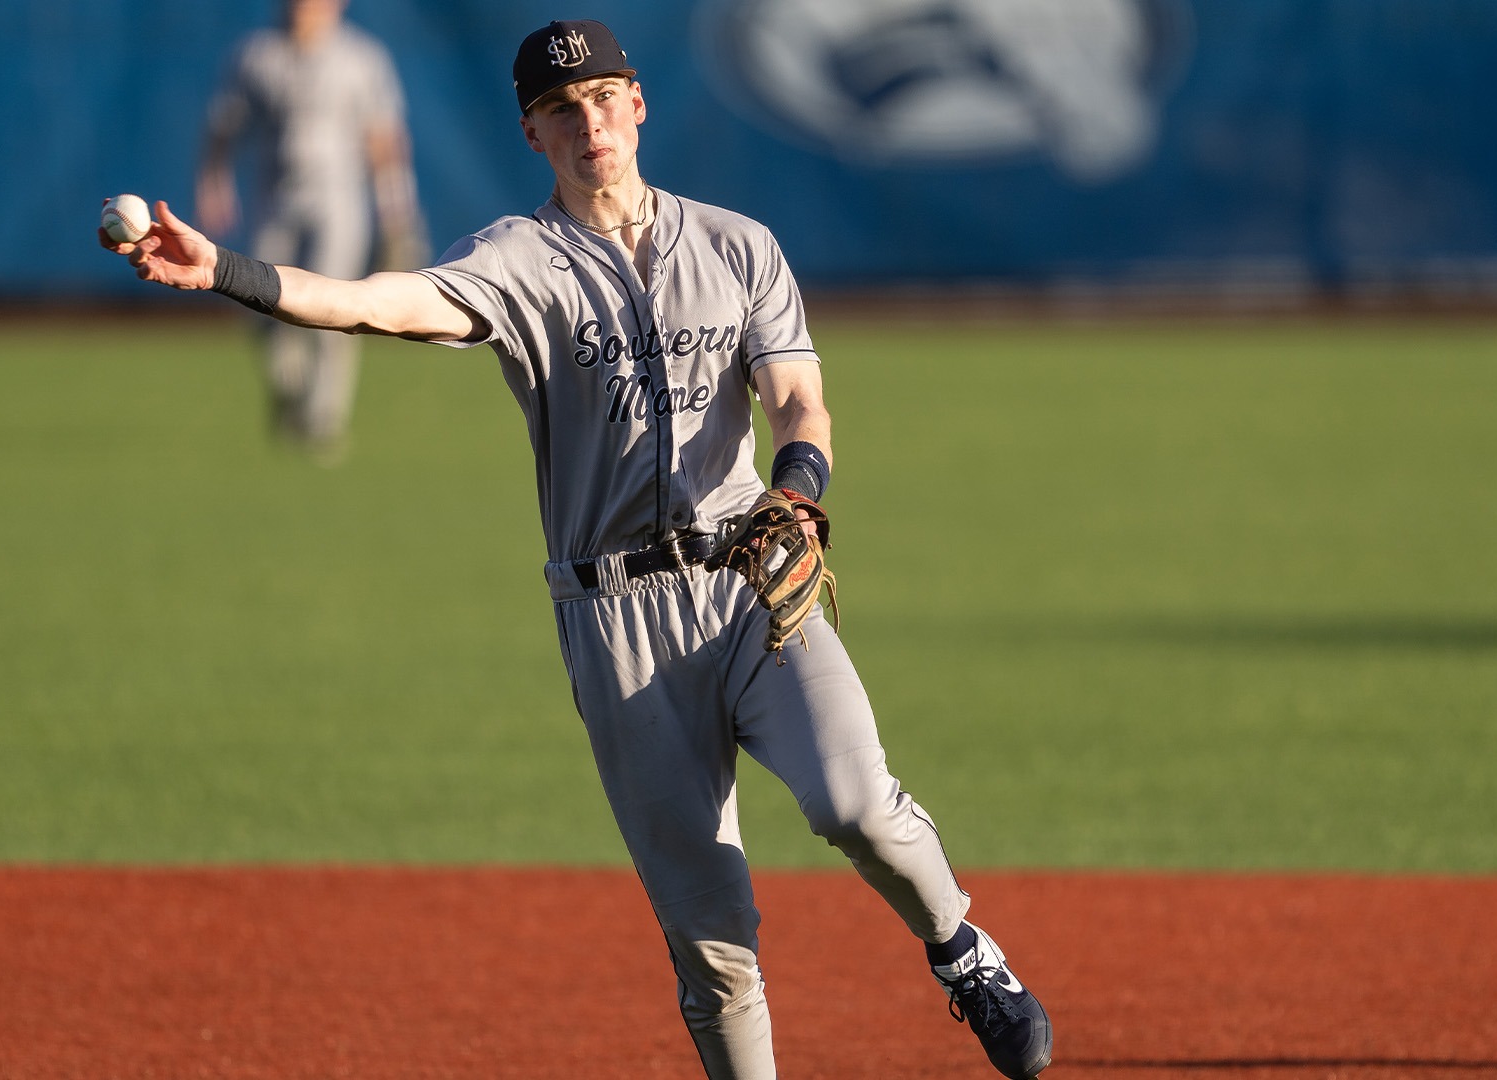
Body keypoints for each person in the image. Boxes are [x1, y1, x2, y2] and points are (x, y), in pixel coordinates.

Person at [103, 19, 1052, 1079]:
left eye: (604, 97)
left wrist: (799, 494)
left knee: (854, 803)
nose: (588, 120)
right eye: (563, 108)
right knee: (712, 939)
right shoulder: (518, 263)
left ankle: (962, 949)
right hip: (617, 626)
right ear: (533, 132)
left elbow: (797, 398)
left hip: (751, 580)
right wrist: (229, 269)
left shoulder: (739, 246)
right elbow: (380, 304)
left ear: (638, 105)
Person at [196, 0, 426, 459]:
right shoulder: (256, 54)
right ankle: (289, 387)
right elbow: (224, 126)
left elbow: (384, 140)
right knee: (259, 302)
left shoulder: (362, 57)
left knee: (334, 310)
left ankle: (321, 421)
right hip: (275, 198)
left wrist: (397, 210)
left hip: (339, 201)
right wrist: (213, 182)